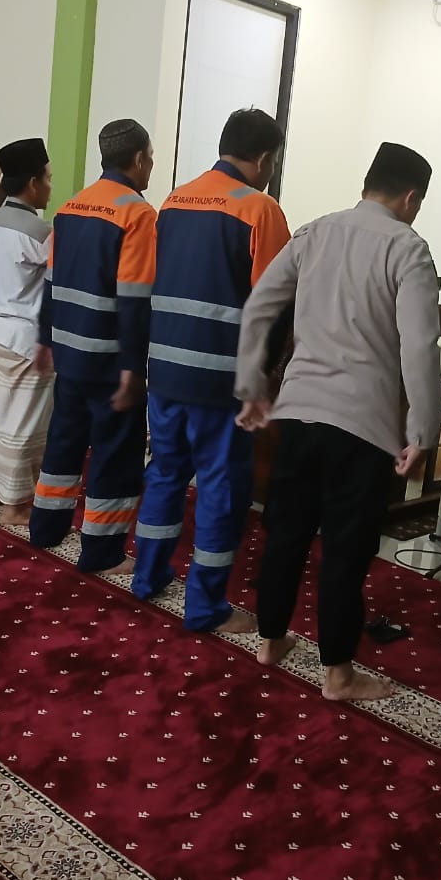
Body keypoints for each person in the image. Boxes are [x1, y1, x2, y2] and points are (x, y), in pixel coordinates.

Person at [234, 142, 441, 700]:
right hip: (362, 424)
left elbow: (260, 306)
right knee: (346, 551)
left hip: (299, 412)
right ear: (411, 197)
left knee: (286, 534)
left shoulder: (315, 231)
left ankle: (271, 640)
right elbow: (420, 345)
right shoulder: (408, 248)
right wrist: (424, 430)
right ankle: (338, 674)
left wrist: (252, 386)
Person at [131, 108, 291, 634]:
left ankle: (148, 576)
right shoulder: (260, 209)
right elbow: (275, 304)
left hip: (165, 368)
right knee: (221, 487)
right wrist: (265, 375)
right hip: (222, 379)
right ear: (263, 159)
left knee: (165, 472)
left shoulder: (174, 200)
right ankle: (205, 606)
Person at [29, 120, 156, 573]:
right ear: (138, 160)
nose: (151, 166)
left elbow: (50, 282)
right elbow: (135, 299)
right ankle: (102, 550)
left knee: (64, 439)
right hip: (108, 359)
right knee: (115, 451)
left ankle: (46, 527)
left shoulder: (70, 207)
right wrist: (133, 368)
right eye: (150, 158)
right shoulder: (137, 214)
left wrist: (44, 339)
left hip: (68, 351)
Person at [0, 138, 55, 526]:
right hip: (26, 338)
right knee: (25, 423)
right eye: (48, 179)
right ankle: (16, 505)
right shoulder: (39, 231)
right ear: (33, 183)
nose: (50, 187)